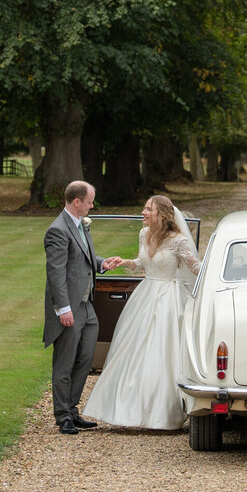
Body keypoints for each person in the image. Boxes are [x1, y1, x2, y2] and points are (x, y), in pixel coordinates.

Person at [84, 193, 201, 431]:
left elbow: (195, 268)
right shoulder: (143, 234)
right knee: (132, 350)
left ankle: (162, 413)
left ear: (163, 215)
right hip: (146, 294)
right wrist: (125, 262)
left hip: (169, 298)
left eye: (149, 209)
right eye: (145, 208)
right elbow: (141, 263)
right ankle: (128, 411)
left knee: (163, 352)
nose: (143, 212)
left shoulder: (178, 240)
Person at [43, 179, 125, 436]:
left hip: (87, 305)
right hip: (70, 307)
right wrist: (62, 309)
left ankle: (72, 408)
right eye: (89, 201)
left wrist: (102, 263)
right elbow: (56, 274)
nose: (92, 205)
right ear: (77, 202)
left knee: (86, 357)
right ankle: (63, 416)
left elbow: (82, 260)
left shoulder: (80, 225)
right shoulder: (57, 230)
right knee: (65, 362)